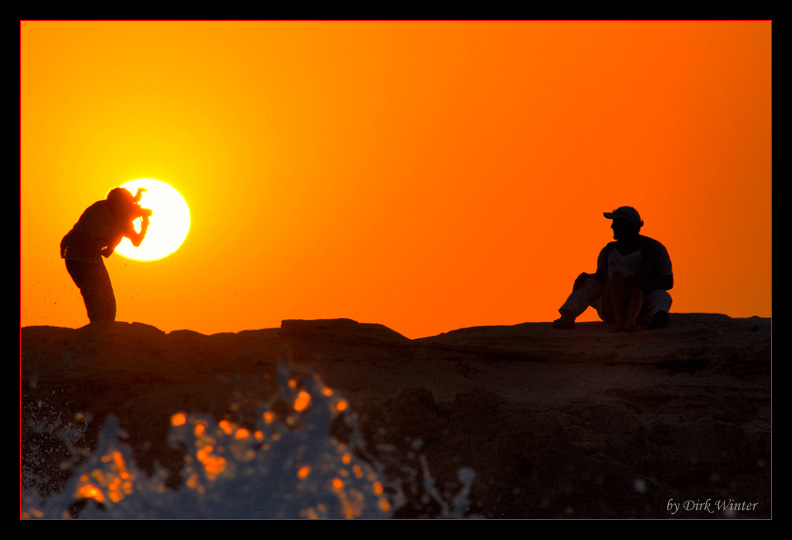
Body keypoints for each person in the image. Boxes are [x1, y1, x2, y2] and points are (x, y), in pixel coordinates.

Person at [552, 206, 673, 331]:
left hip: (640, 305)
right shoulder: (609, 250)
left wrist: (633, 285)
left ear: (629, 226)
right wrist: (588, 276)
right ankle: (567, 316)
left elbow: (668, 282)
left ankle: (657, 318)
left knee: (661, 294)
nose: (612, 227)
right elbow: (602, 277)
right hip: (610, 305)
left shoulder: (653, 249)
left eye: (617, 224)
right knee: (588, 283)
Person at [60, 187, 151, 323]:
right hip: (76, 258)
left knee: (109, 301)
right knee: (94, 296)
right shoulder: (97, 211)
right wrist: (120, 227)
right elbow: (95, 241)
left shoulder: (123, 217)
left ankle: (105, 331)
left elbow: (136, 241)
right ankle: (96, 330)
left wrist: (144, 227)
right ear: (113, 204)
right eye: (124, 205)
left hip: (94, 260)